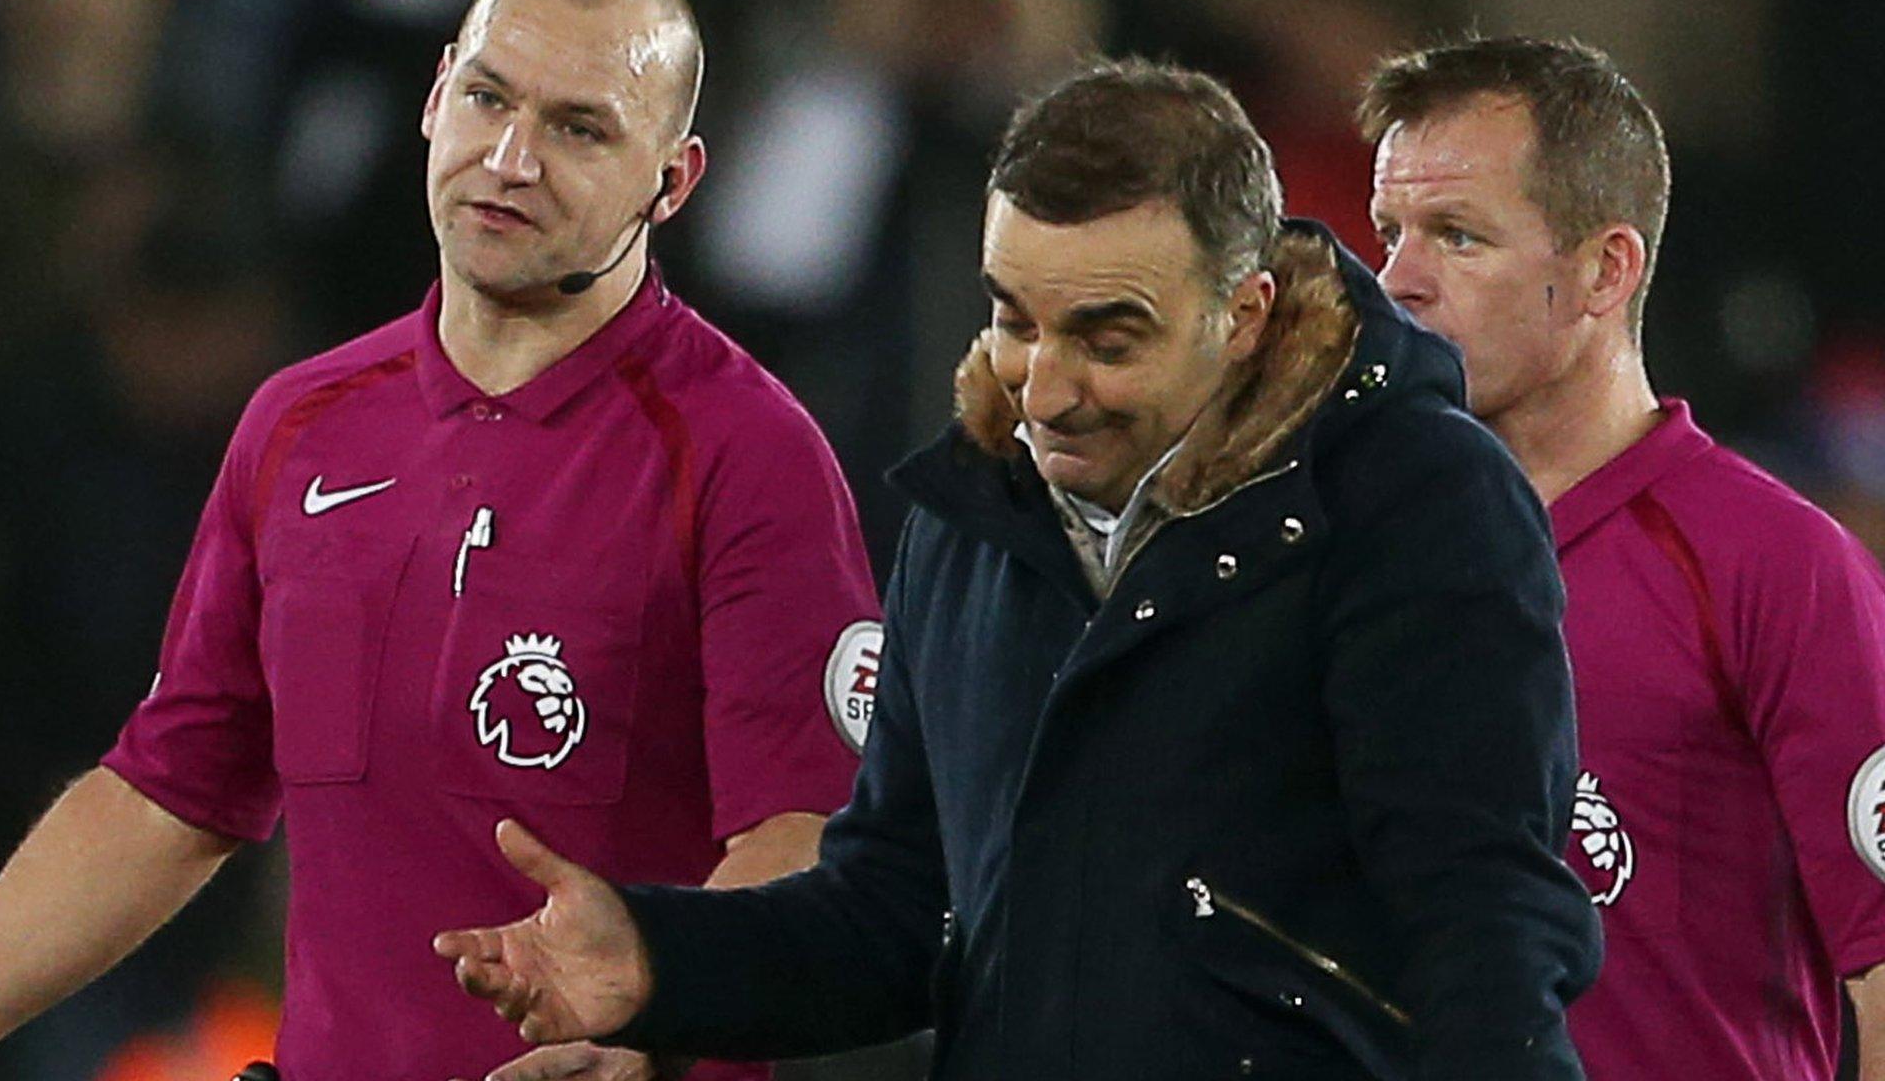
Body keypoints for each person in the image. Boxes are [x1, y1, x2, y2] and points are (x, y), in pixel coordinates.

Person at [428, 57, 1602, 1081]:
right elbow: (894, 914)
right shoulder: (972, 512)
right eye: (1013, 321)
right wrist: (655, 960)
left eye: (1107, 337)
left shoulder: (1411, 504)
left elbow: (1480, 932)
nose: (1041, 390)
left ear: (1242, 315)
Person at [0, 0, 880, 1081]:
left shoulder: (749, 457)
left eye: (580, 129)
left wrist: (655, 1036)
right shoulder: (302, 424)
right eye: (487, 98)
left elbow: (804, 840)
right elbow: (170, 793)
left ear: (671, 181)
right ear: (435, 98)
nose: (511, 159)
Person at [1359, 35, 1885, 1081]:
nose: (1396, 281)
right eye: (1389, 232)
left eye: (1457, 237)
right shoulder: (1347, 554)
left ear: (1605, 269)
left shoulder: (1772, 566)